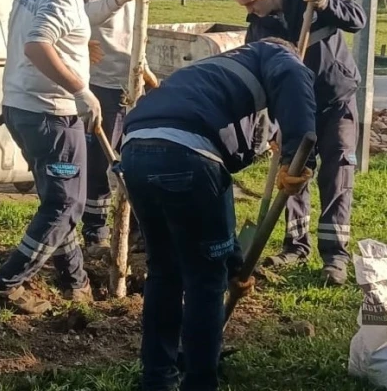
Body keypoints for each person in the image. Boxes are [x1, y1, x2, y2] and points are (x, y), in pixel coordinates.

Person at [120, 38, 316, 391]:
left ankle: (157, 378)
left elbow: (221, 185)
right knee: (204, 282)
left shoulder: (211, 71)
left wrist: (234, 265)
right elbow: (293, 76)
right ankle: (199, 382)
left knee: (165, 272)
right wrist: (296, 156)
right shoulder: (278, 54)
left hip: (134, 152)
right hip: (189, 154)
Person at [0, 0, 122, 315]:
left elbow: (53, 33)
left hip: (20, 108)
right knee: (65, 203)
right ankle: (6, 286)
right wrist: (81, 89)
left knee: (56, 198)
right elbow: (37, 44)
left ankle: (74, 279)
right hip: (52, 117)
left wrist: (76, 47)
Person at [231, 0, 367, 286]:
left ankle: (335, 256)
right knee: (294, 174)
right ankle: (296, 246)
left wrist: (327, 4)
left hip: (335, 100)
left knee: (337, 172)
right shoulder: (259, 28)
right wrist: (274, 125)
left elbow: (357, 19)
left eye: (251, 4)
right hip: (295, 110)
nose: (250, 12)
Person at [81, 0, 165, 258]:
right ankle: (96, 230)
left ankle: (136, 231)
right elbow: (83, 14)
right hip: (104, 82)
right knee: (101, 158)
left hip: (132, 82)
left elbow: (135, 29)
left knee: (138, 157)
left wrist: (143, 66)